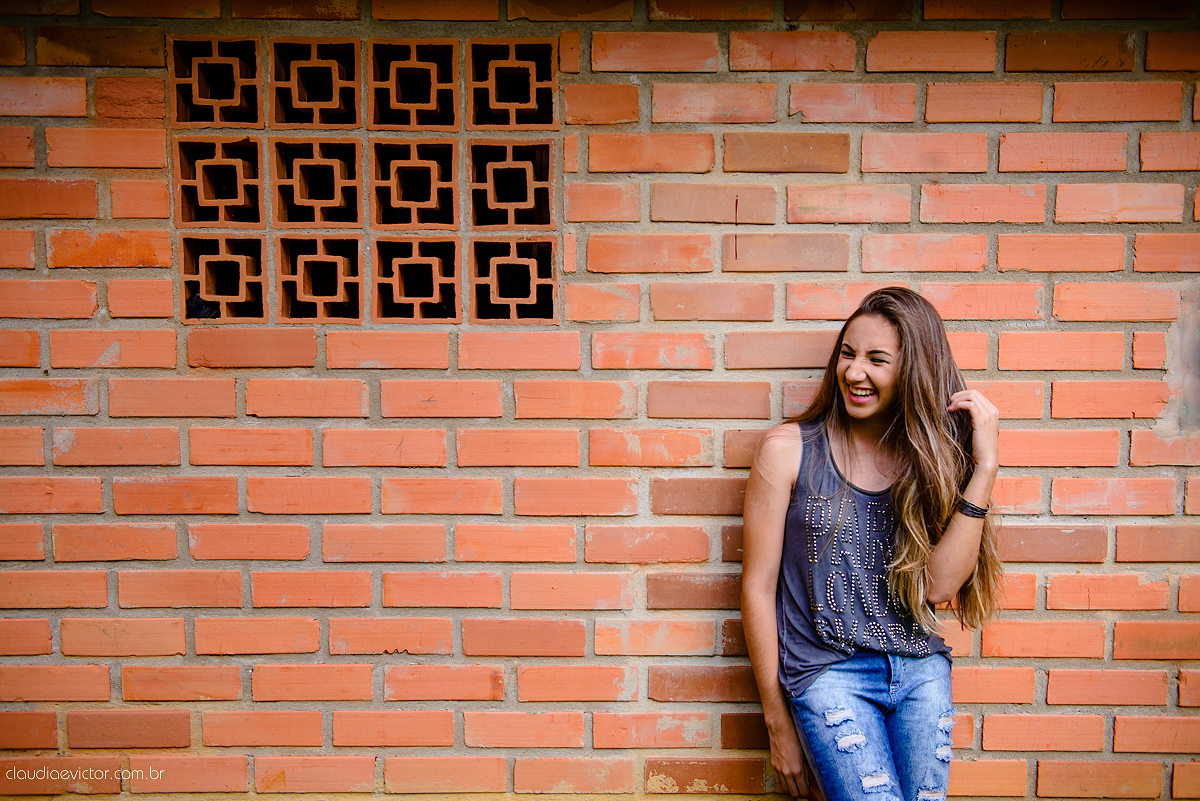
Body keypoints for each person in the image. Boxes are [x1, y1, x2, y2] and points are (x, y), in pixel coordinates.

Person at [741, 287, 1003, 801]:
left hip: (921, 673)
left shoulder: (931, 463)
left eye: (876, 360)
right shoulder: (787, 451)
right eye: (847, 353)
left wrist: (984, 468)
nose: (854, 372)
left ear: (913, 373)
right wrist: (777, 723)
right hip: (828, 674)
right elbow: (756, 588)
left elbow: (939, 587)